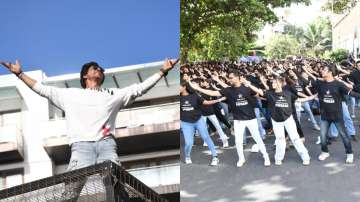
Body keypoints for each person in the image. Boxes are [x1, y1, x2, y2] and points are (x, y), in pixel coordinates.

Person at [0, 58, 178, 201]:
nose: (100, 70)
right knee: (71, 192)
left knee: (117, 185)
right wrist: (20, 74)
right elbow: (42, 89)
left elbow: (139, 89)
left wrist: (162, 72)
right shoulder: (70, 95)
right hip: (81, 148)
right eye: (95, 67)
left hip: (106, 145)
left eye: (101, 69)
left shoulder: (113, 94)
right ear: (85, 75)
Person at [189, 71, 271, 167]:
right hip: (238, 120)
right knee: (238, 141)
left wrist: (254, 88)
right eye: (229, 77)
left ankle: (266, 157)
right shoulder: (228, 90)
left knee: (257, 138)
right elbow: (213, 92)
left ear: (237, 77)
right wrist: (198, 88)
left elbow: (260, 94)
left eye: (231, 77)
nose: (230, 79)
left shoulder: (247, 88)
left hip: (251, 119)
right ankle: (241, 159)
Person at [244, 76, 314, 165]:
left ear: (280, 84)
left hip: (288, 119)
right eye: (272, 82)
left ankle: (305, 157)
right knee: (280, 139)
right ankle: (278, 158)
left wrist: (312, 97)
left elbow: (299, 99)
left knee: (295, 138)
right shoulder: (270, 94)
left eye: (274, 82)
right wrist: (249, 85)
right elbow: (259, 91)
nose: (272, 84)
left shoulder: (288, 93)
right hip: (276, 121)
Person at [303, 64, 360, 163]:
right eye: (321, 70)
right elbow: (317, 94)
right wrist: (306, 99)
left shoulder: (339, 84)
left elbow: (352, 93)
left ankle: (349, 154)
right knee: (322, 136)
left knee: (344, 136)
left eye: (324, 70)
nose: (322, 71)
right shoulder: (320, 84)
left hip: (337, 116)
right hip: (325, 116)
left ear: (330, 72)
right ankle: (325, 152)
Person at [180, 81, 223, 165]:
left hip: (198, 120)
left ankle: (215, 157)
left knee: (206, 137)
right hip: (186, 123)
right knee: (189, 143)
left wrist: (219, 99)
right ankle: (187, 156)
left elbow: (206, 102)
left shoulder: (194, 95)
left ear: (184, 87)